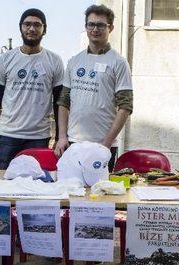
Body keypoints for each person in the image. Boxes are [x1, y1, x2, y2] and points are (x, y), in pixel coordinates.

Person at [0, 8, 64, 171]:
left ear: (44, 29)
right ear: (21, 27)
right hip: (8, 135)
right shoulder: (6, 59)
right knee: (2, 184)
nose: (32, 28)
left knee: (37, 186)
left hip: (38, 137)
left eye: (37, 25)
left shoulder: (55, 61)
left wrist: (60, 136)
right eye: (27, 24)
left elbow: (60, 103)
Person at [54, 4, 133, 172]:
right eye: (91, 24)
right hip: (74, 143)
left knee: (100, 194)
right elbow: (63, 102)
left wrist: (106, 145)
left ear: (110, 28)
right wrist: (62, 137)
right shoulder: (74, 61)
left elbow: (125, 106)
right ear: (86, 27)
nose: (95, 29)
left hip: (103, 144)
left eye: (101, 25)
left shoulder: (118, 62)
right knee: (72, 192)